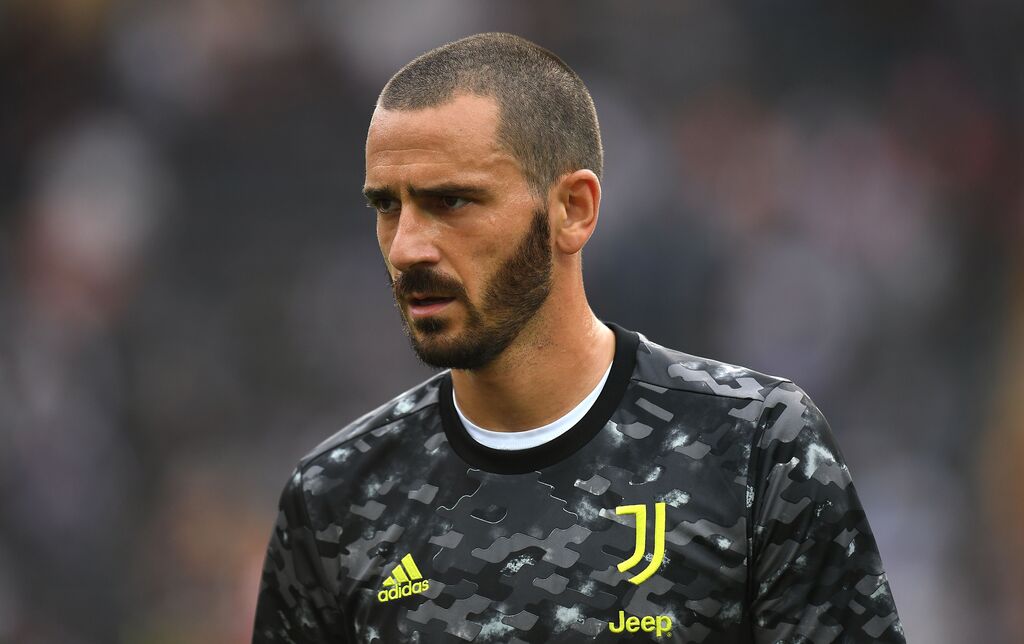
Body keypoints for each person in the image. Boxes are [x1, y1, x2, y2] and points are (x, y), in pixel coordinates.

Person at [252, 32, 904, 643]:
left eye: (452, 202)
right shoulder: (335, 502)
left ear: (573, 210)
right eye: (387, 206)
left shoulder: (757, 450)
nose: (407, 247)